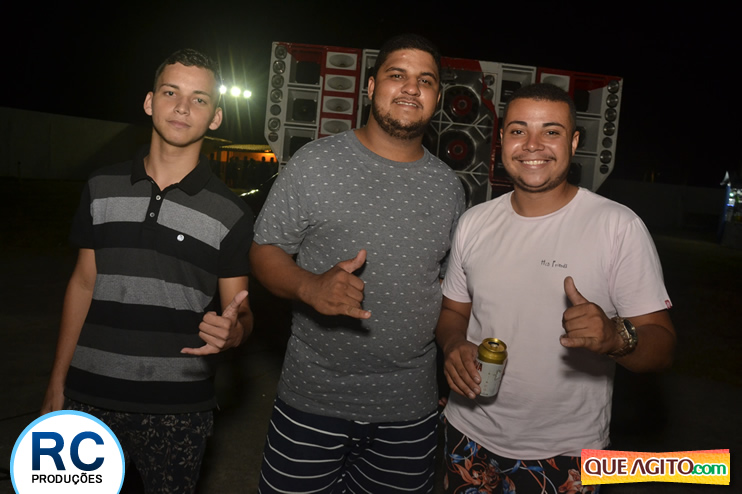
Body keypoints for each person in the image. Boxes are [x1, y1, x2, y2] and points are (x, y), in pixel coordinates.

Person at [251, 33, 465, 493]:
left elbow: (453, 292)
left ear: (437, 98)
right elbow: (264, 250)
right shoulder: (314, 162)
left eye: (426, 80)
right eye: (397, 75)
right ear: (370, 87)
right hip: (312, 398)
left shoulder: (449, 187)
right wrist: (309, 286)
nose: (411, 88)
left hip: (409, 409)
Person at [436, 83, 676, 493]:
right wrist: (454, 343)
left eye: (551, 131)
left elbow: (663, 347)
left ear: (574, 142)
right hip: (467, 434)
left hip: (565, 454)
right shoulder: (474, 222)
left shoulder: (617, 226)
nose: (533, 145)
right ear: (501, 140)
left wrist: (615, 337)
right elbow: (453, 312)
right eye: (518, 130)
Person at [40, 48, 254, 493]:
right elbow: (82, 284)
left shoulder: (231, 213)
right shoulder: (101, 187)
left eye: (199, 99)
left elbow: (241, 310)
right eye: (171, 92)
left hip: (179, 407)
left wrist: (235, 332)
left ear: (215, 117)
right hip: (88, 397)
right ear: (149, 102)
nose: (182, 107)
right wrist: (57, 384)